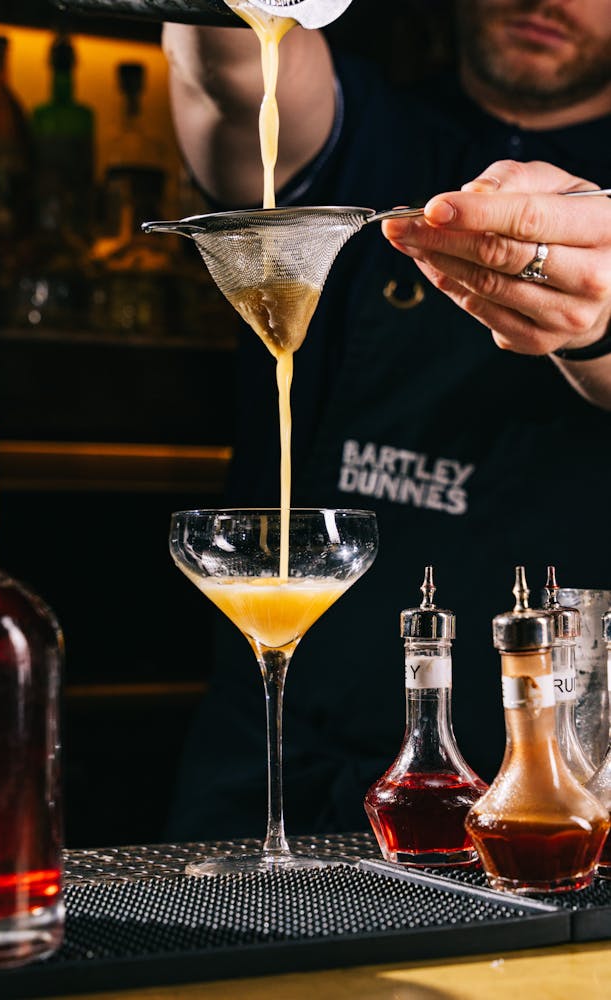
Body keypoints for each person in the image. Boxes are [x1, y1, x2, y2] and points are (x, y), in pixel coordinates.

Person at [160, 0, 611, 842]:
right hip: (274, 764)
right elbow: (228, 75)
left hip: (532, 798)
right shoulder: (372, 127)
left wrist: (597, 323)